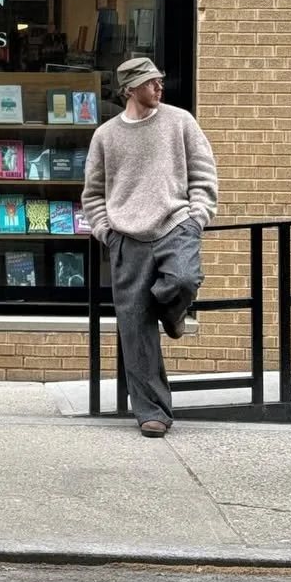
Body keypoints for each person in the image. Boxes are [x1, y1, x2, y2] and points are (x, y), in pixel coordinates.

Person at [81, 57, 218, 438]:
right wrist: (106, 230)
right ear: (130, 89)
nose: (159, 88)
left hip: (175, 225)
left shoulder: (180, 122)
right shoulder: (106, 136)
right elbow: (93, 192)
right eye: (151, 83)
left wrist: (197, 215)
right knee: (135, 329)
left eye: (159, 81)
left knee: (184, 280)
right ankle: (152, 413)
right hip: (126, 237)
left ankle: (173, 312)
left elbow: (204, 172)